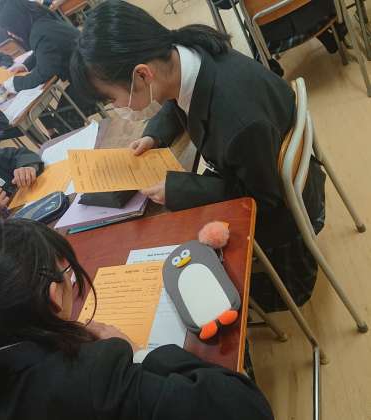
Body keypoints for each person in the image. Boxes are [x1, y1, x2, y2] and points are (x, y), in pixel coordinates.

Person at [70, 0, 326, 312]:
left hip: (284, 218)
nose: (117, 107)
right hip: (266, 170)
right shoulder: (186, 54)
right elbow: (176, 98)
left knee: (175, 265)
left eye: (112, 98)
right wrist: (155, 135)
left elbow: (261, 199)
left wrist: (178, 189)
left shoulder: (238, 121)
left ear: (142, 75)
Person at [0, 219, 274, 420]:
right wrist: (138, 352)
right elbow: (246, 409)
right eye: (67, 272)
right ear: (54, 295)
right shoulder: (94, 376)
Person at [0, 0, 96, 134]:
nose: (9, 33)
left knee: (63, 122)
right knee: (62, 115)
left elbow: (44, 72)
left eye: (9, 28)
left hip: (92, 79)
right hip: (89, 67)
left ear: (17, 22)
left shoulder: (40, 33)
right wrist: (25, 65)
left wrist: (13, 83)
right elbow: (42, 50)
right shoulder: (41, 21)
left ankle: (88, 141)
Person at [214, 0, 347, 76]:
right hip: (322, 13)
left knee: (250, 21)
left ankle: (269, 67)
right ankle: (330, 32)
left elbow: (224, 3)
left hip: (274, 36)